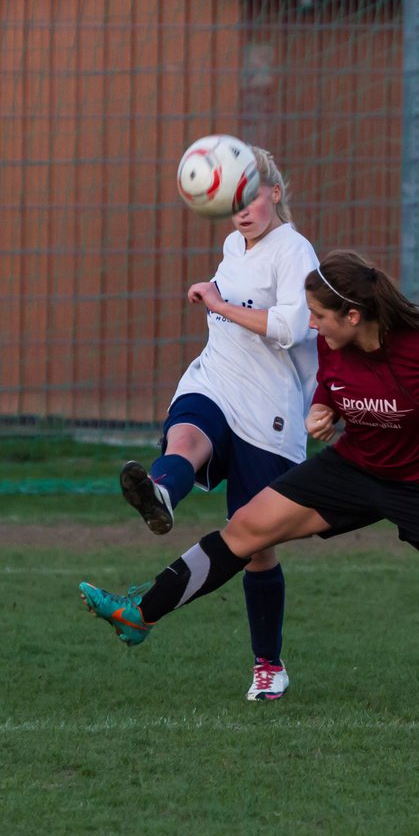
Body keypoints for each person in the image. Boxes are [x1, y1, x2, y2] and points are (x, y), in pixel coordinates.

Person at [80, 249, 419, 718]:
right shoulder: (332, 341)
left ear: (354, 317)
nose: (312, 326)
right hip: (355, 469)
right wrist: (325, 406)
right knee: (247, 528)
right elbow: (334, 379)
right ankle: (139, 615)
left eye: (319, 316)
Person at [115, 146, 318, 701]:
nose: (244, 210)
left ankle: (269, 666)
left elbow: (292, 329)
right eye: (234, 202)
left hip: (271, 411)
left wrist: (219, 303)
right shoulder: (232, 245)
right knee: (187, 435)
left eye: (253, 196)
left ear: (274, 193)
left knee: (255, 545)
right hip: (216, 379)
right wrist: (217, 301)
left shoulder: (295, 251)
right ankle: (161, 492)